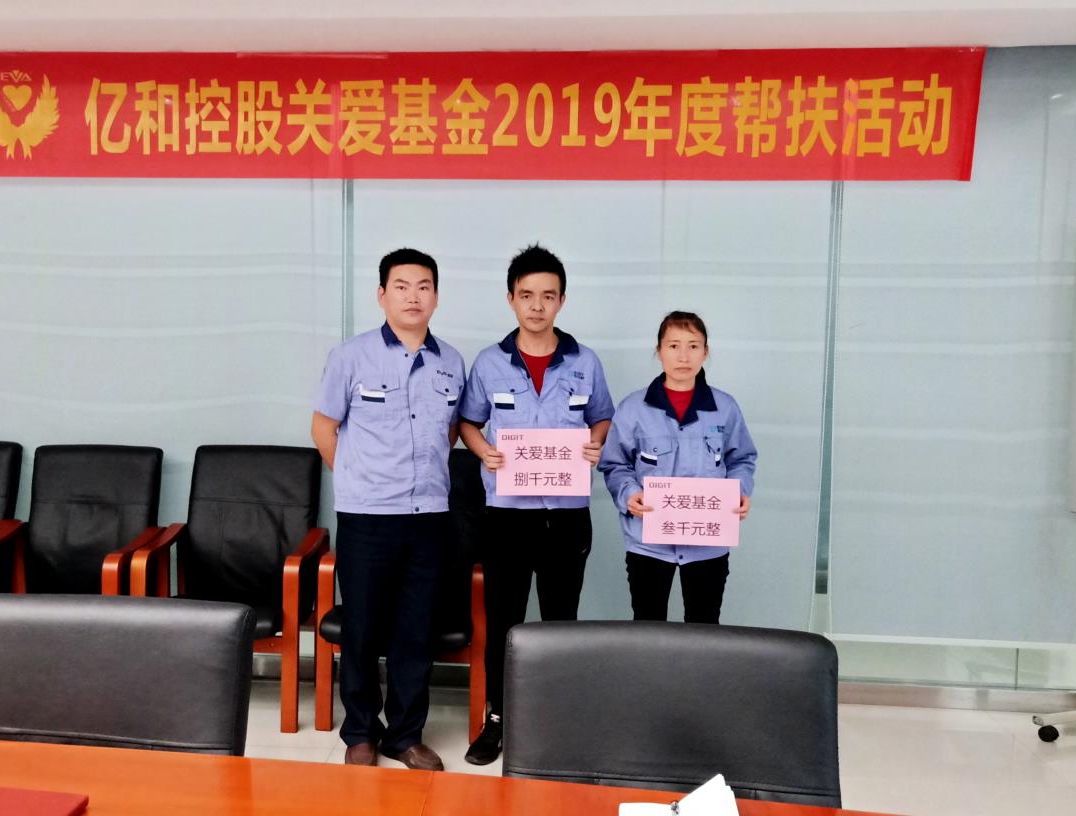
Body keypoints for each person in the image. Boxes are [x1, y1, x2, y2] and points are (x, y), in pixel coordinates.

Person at [458, 244, 614, 765]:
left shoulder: (585, 362)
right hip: (507, 516)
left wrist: (595, 442)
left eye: (548, 296)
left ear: (562, 300)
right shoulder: (489, 362)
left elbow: (602, 416)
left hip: (566, 516)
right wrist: (483, 450)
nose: (537, 306)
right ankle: (497, 720)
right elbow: (468, 422)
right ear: (511, 299)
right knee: (504, 622)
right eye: (527, 295)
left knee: (560, 622)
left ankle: (556, 720)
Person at [310, 248, 465, 771]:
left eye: (423, 287)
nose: (412, 296)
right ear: (382, 295)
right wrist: (359, 478)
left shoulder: (451, 362)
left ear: (436, 297)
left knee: (415, 630)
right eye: (401, 286)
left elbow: (448, 433)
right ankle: (360, 732)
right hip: (367, 516)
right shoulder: (350, 357)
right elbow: (323, 429)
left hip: (429, 517)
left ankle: (405, 735)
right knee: (362, 628)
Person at [598, 310, 757, 623]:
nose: (683, 356)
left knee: (704, 627)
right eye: (673, 346)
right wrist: (629, 494)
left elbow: (742, 459)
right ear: (659, 351)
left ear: (705, 352)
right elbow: (615, 463)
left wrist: (739, 491)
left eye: (693, 346)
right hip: (648, 543)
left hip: (707, 543)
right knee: (648, 627)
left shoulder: (725, 408)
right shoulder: (633, 408)